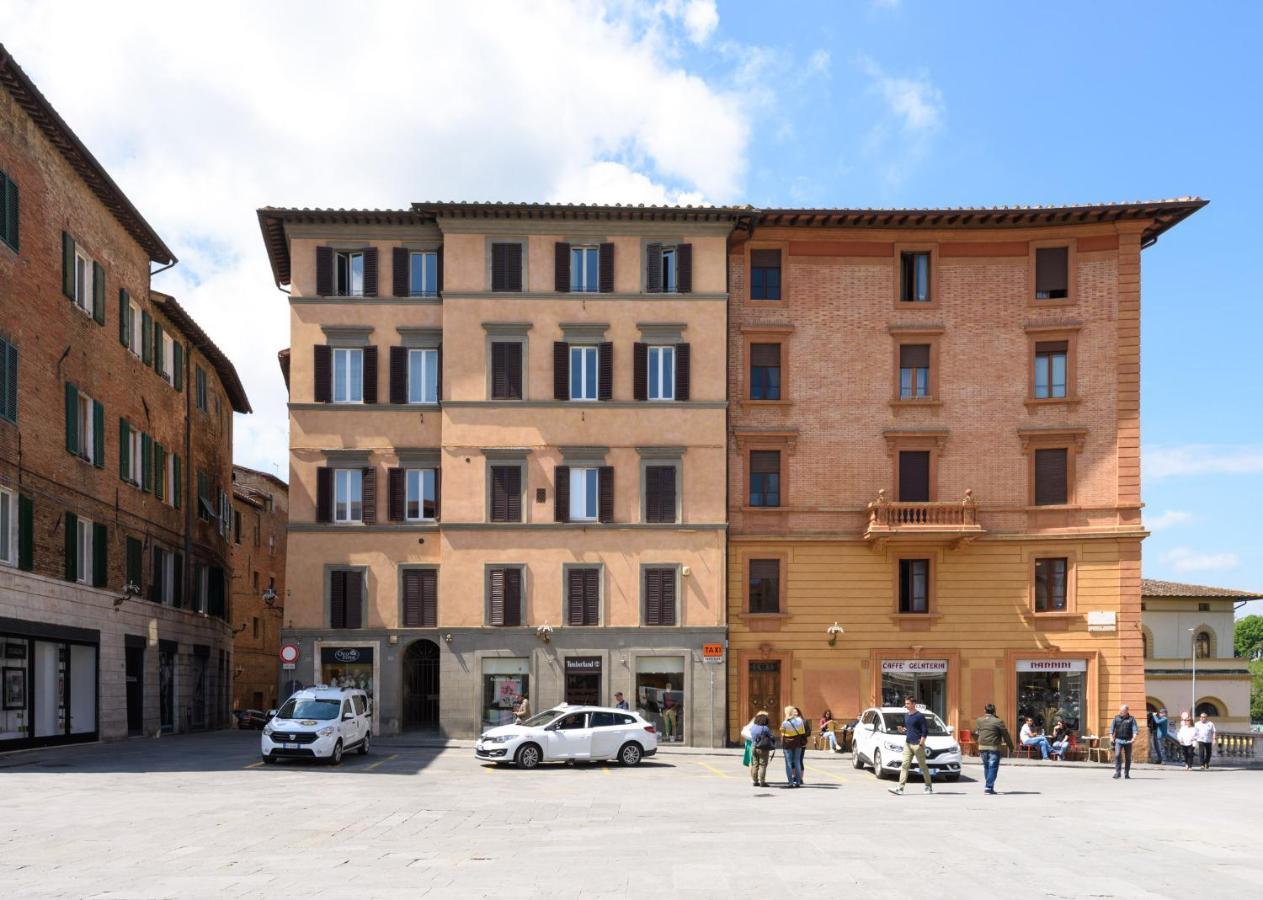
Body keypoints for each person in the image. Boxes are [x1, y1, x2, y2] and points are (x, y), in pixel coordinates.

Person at [889, 697, 934, 795]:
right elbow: (910, 729)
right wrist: (902, 730)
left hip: (917, 745)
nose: (906, 705)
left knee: (923, 766)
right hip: (908, 744)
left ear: (913, 704)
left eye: (908, 703)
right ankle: (900, 788)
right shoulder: (906, 715)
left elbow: (924, 730)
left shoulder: (919, 716)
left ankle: (928, 786)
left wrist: (921, 743)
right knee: (904, 765)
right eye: (905, 703)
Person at [974, 703, 1015, 795]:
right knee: (993, 767)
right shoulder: (998, 721)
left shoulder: (979, 720)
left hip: (982, 747)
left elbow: (976, 733)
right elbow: (1006, 735)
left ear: (984, 710)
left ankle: (989, 786)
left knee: (987, 767)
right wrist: (1011, 747)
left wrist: (978, 743)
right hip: (994, 747)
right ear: (994, 711)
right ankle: (988, 787)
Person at [779, 705, 807, 787]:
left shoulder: (785, 722)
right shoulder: (799, 720)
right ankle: (798, 782)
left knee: (788, 763)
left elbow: (782, 732)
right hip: (797, 743)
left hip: (787, 744)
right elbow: (802, 732)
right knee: (797, 761)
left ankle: (790, 782)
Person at [1109, 703, 1138, 779]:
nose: (1120, 712)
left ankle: (1126, 773)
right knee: (1117, 755)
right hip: (1118, 740)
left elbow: (1135, 729)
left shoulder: (1132, 719)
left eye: (1122, 710)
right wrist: (1111, 737)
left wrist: (1134, 738)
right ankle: (1117, 773)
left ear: (1126, 711)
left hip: (1128, 741)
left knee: (1128, 757)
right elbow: (1111, 729)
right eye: (1120, 710)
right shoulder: (1116, 718)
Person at [748, 711, 775, 787]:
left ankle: (755, 781)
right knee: (762, 765)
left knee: (755, 764)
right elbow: (771, 736)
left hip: (753, 747)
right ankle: (762, 781)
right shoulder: (765, 728)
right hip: (762, 748)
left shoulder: (753, 727)